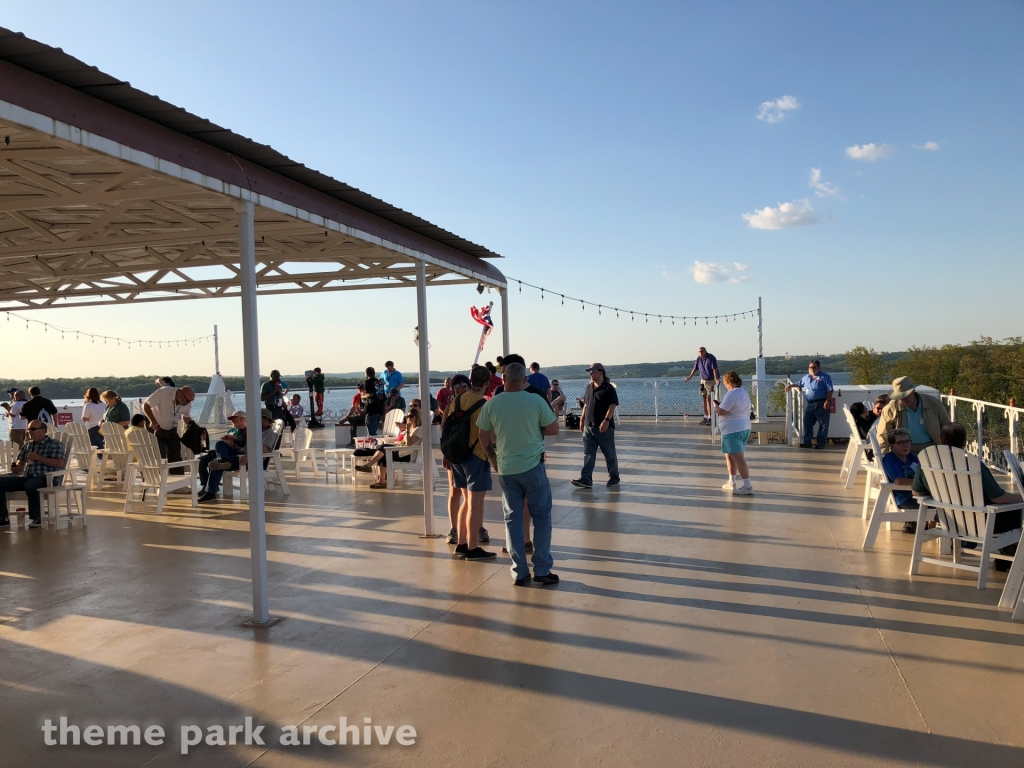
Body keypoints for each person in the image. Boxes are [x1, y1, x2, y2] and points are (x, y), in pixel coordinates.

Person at [477, 363, 560, 586]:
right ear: (525, 380)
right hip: (533, 466)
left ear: (503, 379)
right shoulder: (535, 401)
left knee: (512, 520)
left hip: (506, 468)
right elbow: (553, 430)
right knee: (541, 517)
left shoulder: (492, 404)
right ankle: (542, 568)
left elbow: (483, 436)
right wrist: (535, 427)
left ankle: (519, 572)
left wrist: (493, 459)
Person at [912, 422, 1022, 562]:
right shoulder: (974, 465)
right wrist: (1020, 498)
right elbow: (998, 498)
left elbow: (916, 493)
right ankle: (1006, 560)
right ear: (964, 442)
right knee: (1015, 510)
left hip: (947, 520)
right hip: (980, 523)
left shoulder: (926, 463)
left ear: (940, 440)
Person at [444, 365, 496, 560]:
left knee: (466, 501)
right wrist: (493, 458)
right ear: (487, 383)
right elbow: (487, 436)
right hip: (476, 457)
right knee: (475, 504)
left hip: (457, 455)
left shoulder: (457, 400)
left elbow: (446, 427)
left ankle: (462, 543)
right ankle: (473, 548)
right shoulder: (484, 405)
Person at [199, 409, 278, 503]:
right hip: (242, 454)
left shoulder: (269, 433)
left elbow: (263, 449)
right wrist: (233, 443)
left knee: (216, 463)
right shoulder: (256, 431)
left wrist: (248, 456)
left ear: (265, 420)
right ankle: (223, 459)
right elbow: (245, 446)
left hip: (252, 460)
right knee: (220, 444)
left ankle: (211, 492)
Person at [0, 420, 66, 529]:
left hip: (48, 478)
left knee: (31, 484)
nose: (29, 431)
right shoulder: (28, 445)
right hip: (29, 477)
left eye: (33, 429)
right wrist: (17, 468)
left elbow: (59, 463)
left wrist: (38, 458)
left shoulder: (54, 444)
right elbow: (21, 463)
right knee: (2, 481)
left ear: (43, 431)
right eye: (29, 429)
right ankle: (2, 518)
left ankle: (37, 517)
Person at [572, 363, 620, 489]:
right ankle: (586, 479)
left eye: (593, 371)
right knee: (588, 453)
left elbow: (612, 405)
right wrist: (582, 419)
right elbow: (586, 404)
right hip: (589, 426)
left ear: (601, 372)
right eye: (589, 371)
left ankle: (614, 477)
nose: (590, 373)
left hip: (603, 427)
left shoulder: (608, 388)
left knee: (609, 454)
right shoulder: (589, 388)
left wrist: (606, 420)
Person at [876, 376, 951, 455]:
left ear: (913, 391)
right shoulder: (890, 409)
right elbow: (883, 435)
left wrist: (949, 449)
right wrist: (885, 456)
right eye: (900, 397)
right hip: (902, 449)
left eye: (906, 395)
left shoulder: (933, 403)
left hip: (932, 446)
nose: (904, 399)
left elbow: (947, 426)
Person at [354, 410, 423, 489]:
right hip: (401, 451)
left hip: (407, 455)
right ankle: (381, 481)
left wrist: (407, 430)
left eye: (411, 416)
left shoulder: (418, 430)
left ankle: (369, 466)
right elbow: (403, 443)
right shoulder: (412, 429)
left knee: (383, 450)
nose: (409, 418)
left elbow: (408, 444)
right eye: (407, 416)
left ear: (417, 417)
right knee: (383, 449)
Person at [442, 374, 472, 544]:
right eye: (456, 386)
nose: (460, 388)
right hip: (454, 454)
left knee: (473, 495)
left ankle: (476, 526)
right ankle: (453, 528)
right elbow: (444, 434)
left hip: (473, 453)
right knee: (455, 491)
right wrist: (446, 454)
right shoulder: (450, 408)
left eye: (463, 385)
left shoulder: (477, 404)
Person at [142, 384, 195, 474]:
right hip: (156, 428)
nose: (189, 403)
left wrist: (195, 429)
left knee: (176, 457)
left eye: (191, 401)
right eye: (188, 400)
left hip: (171, 430)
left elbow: (186, 417)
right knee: (160, 457)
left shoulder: (187, 404)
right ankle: (160, 481)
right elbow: (146, 405)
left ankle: (178, 483)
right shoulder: (164, 392)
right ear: (181, 394)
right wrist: (153, 421)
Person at [715, 371, 753, 494]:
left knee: (738, 458)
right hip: (744, 426)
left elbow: (723, 411)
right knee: (730, 455)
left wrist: (716, 408)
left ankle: (747, 486)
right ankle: (731, 481)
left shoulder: (731, 394)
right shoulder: (743, 392)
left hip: (732, 429)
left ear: (728, 382)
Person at [786, 360, 834, 449]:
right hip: (810, 405)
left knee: (823, 425)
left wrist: (828, 401)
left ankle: (821, 444)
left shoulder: (825, 377)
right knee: (807, 422)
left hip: (821, 403)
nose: (812, 369)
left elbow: (830, 390)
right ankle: (807, 442)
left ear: (818, 367)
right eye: (810, 367)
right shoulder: (806, 377)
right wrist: (790, 386)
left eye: (814, 367)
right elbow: (799, 383)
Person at [881, 428, 921, 513]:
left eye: (907, 441)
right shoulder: (889, 460)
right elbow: (899, 481)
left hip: (918, 494)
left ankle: (929, 525)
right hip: (905, 499)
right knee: (938, 504)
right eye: (901, 442)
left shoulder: (911, 457)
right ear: (892, 446)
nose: (906, 445)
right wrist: (921, 483)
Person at [684, 347, 720, 426]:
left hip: (710, 381)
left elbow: (714, 369)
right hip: (703, 381)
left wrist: (716, 378)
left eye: (702, 351)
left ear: (705, 351)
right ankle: (706, 417)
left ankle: (711, 418)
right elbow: (695, 369)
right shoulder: (698, 359)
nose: (700, 353)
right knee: (704, 398)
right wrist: (689, 377)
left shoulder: (711, 358)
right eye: (699, 352)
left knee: (709, 399)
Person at [361, 367, 386, 435]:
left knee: (371, 433)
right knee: (374, 431)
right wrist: (384, 413)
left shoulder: (368, 382)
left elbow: (370, 394)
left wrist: (362, 396)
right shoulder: (380, 382)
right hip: (379, 410)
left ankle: (373, 445)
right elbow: (383, 398)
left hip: (372, 409)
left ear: (367, 373)